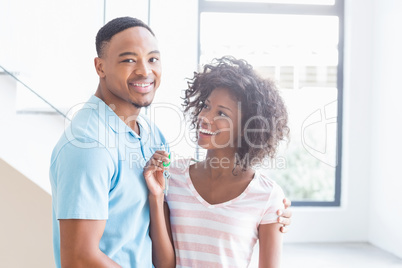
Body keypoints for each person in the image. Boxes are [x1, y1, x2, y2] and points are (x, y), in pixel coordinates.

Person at [50, 16, 291, 267]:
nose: (145, 70)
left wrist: (269, 209)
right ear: (100, 67)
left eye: (152, 59)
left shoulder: (154, 138)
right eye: (129, 59)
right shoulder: (89, 145)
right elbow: (78, 258)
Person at [144, 56, 290, 267]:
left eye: (221, 113)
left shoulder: (267, 195)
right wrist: (156, 198)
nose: (205, 116)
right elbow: (165, 264)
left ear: (246, 127)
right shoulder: (172, 175)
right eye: (206, 106)